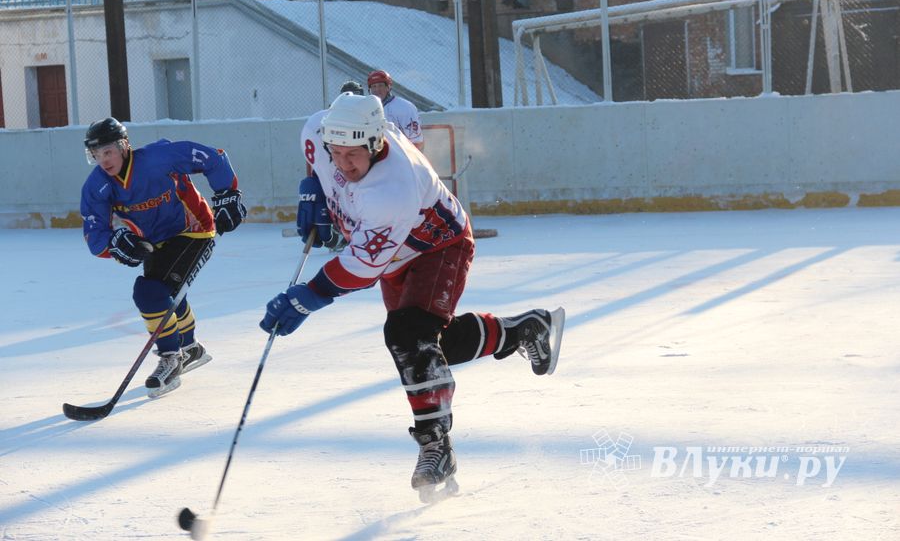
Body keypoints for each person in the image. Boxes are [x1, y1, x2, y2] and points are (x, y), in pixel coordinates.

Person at [260, 92, 565, 500]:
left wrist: (306, 298)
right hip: (393, 255)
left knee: (407, 336)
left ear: (375, 144)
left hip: (438, 244)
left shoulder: (392, 188)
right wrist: (313, 188)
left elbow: (360, 269)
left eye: (353, 156)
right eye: (336, 154)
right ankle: (526, 329)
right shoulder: (318, 131)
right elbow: (317, 162)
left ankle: (435, 445)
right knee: (433, 346)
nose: (343, 164)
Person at [80, 117, 247, 398]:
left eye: (107, 151)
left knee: (148, 292)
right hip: (156, 243)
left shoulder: (159, 158)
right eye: (96, 154)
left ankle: (171, 356)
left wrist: (227, 193)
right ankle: (191, 348)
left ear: (124, 147)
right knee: (164, 294)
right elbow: (95, 235)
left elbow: (212, 157)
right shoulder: (96, 186)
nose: (103, 160)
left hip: (194, 230)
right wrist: (117, 243)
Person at [367, 69, 424, 150]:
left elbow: (417, 142)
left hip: (401, 156)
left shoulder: (404, 107)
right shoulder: (367, 108)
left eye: (380, 85)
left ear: (388, 87)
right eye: (374, 86)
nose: (377, 90)